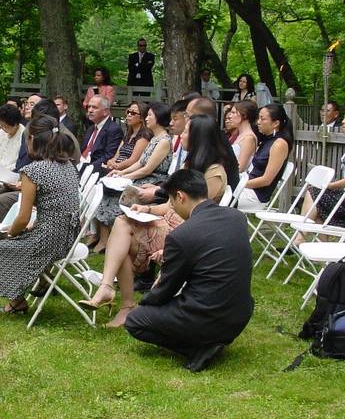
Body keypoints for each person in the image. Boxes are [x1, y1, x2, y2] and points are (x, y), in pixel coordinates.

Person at [81, 114, 234, 327]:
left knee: (123, 231)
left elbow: (199, 216)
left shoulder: (214, 174)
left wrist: (156, 214)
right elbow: (173, 205)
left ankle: (120, 301)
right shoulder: (191, 165)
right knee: (122, 224)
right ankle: (112, 292)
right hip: (170, 223)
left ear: (199, 137)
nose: (182, 134)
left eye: (188, 131)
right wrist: (147, 208)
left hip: (186, 234)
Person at [123, 169, 254, 372]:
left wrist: (145, 302)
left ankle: (196, 348)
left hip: (204, 315)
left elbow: (166, 290)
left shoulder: (182, 235)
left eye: (171, 203)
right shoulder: (236, 217)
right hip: (240, 314)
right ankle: (209, 342)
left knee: (135, 321)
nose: (172, 208)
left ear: (180, 197)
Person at [0, 115, 81, 314]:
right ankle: (37, 285)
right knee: (14, 239)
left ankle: (16, 301)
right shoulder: (68, 165)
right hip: (69, 237)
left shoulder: (33, 171)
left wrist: (10, 232)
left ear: (32, 140)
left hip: (49, 240)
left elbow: (23, 217)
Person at [91, 102, 172, 253]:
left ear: (159, 118)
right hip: (142, 177)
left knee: (117, 195)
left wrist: (127, 177)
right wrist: (120, 174)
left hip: (153, 181)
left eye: (149, 115)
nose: (146, 118)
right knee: (107, 190)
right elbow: (141, 162)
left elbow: (148, 169)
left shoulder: (164, 141)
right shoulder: (155, 138)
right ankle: (103, 238)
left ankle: (114, 240)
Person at [235, 103, 293, 210]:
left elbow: (266, 180)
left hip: (255, 196)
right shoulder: (267, 139)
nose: (258, 122)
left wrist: (239, 185)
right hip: (245, 185)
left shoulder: (279, 144)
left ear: (275, 123)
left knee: (216, 196)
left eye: (262, 119)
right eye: (258, 118)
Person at [102, 101, 151, 176]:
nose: (129, 115)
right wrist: (110, 162)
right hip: (115, 169)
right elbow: (116, 156)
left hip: (127, 173)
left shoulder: (144, 136)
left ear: (142, 118)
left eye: (133, 113)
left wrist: (115, 167)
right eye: (128, 112)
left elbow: (133, 161)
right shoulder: (127, 135)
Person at [79, 95, 124, 175]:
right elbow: (83, 150)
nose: (90, 110)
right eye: (89, 107)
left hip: (94, 170)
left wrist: (87, 168)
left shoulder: (114, 129)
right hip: (81, 164)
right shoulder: (91, 128)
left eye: (94, 107)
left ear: (105, 111)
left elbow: (109, 155)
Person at [227, 100, 259, 171]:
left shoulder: (249, 138)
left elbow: (240, 168)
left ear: (244, 115)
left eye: (233, 113)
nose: (229, 116)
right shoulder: (239, 135)